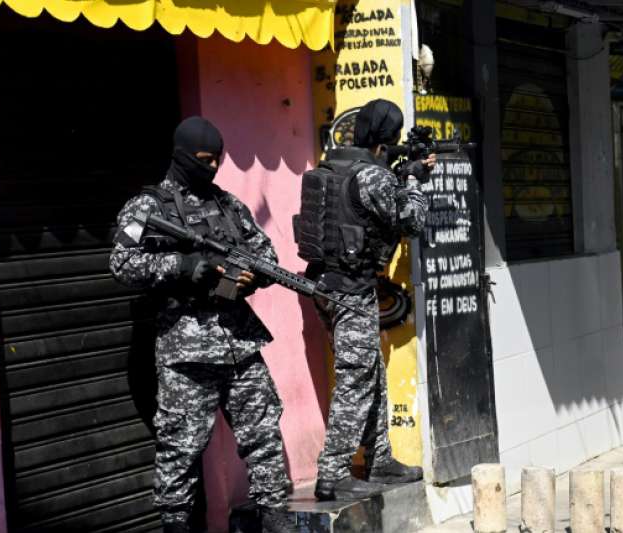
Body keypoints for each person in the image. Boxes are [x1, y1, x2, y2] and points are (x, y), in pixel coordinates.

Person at [110, 117, 293, 533]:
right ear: (182, 155)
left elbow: (265, 253)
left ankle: (276, 518)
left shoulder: (228, 205)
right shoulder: (148, 207)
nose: (211, 167)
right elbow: (122, 263)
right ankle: (176, 524)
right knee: (181, 448)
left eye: (217, 160)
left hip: (239, 342)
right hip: (186, 351)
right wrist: (185, 265)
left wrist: (252, 277)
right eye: (203, 159)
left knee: (264, 435)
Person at [298, 99, 431, 501]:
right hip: (352, 290)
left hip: (326, 286)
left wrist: (401, 174)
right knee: (356, 378)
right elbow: (412, 221)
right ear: (385, 141)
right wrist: (414, 181)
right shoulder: (373, 176)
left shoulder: (332, 166)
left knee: (370, 372)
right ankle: (333, 473)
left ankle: (380, 459)